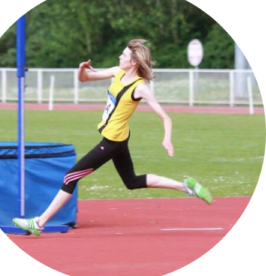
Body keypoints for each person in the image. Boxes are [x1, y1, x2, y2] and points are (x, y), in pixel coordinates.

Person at [13, 39, 212, 236]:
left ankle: (39, 223)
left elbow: (165, 117)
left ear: (134, 62)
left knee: (70, 176)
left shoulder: (140, 88)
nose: (120, 56)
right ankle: (187, 187)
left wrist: (167, 139)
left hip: (112, 142)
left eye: (124, 55)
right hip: (119, 138)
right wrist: (82, 68)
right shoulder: (117, 72)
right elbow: (84, 79)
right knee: (131, 181)